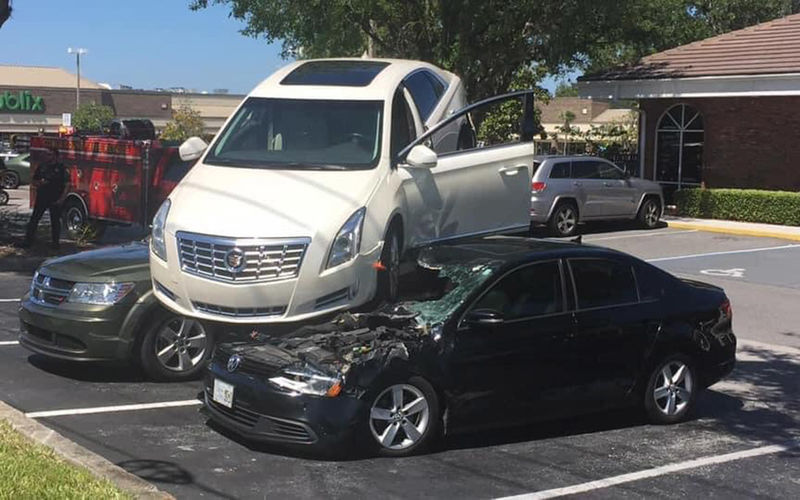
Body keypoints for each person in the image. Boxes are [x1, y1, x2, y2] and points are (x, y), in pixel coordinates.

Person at [24, 148, 68, 250]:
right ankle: (27, 242)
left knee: (55, 221)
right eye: (47, 154)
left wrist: (62, 199)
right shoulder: (42, 167)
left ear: (56, 156)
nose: (48, 157)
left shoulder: (61, 168)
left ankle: (55, 244)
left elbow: (67, 185)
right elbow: (34, 181)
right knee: (34, 219)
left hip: (55, 198)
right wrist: (40, 183)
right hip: (42, 197)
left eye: (50, 155)